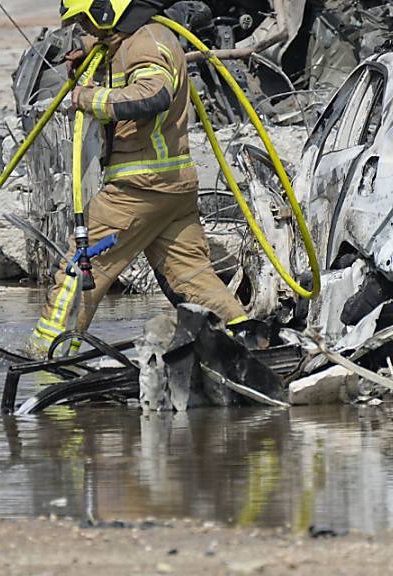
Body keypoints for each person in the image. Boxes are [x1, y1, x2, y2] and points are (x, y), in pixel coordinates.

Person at [29, 0, 247, 356]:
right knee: (191, 277)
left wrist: (88, 97)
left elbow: (153, 94)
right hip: (171, 188)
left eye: (87, 19)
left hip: (138, 188)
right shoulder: (141, 36)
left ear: (107, 10)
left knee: (81, 269)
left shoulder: (144, 42)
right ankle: (244, 337)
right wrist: (88, 51)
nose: (86, 28)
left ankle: (49, 355)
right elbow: (125, 55)